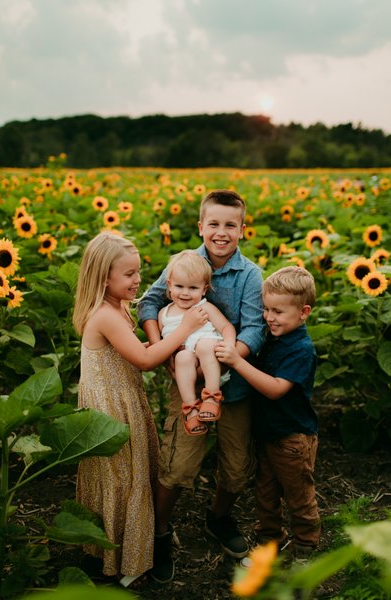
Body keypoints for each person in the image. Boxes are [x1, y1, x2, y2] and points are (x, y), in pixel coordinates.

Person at [137, 189, 264, 582]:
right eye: (214, 224)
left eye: (230, 225)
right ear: (201, 226)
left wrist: (230, 355)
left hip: (236, 383)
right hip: (187, 380)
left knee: (237, 467)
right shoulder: (184, 264)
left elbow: (255, 327)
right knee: (177, 465)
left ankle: (219, 518)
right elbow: (148, 303)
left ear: (243, 230)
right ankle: (159, 531)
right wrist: (165, 347)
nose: (221, 232)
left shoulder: (250, 275)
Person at [72, 232, 208, 584]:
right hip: (109, 407)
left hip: (123, 397)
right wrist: (188, 328)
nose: (138, 280)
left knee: (129, 475)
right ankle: (114, 558)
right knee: (118, 478)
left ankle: (129, 547)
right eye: (130, 274)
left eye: (139, 272)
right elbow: (146, 359)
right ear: (105, 277)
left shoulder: (117, 304)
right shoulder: (104, 314)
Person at [215, 266, 321, 560]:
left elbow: (275, 388)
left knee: (299, 497)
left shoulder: (300, 349)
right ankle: (270, 543)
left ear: (303, 312)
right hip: (269, 434)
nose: (268, 317)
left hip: (292, 439)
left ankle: (305, 549)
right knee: (266, 495)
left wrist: (237, 361)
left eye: (278, 311)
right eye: (266, 309)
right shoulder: (275, 338)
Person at [159, 249, 236, 435]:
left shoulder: (205, 307)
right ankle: (191, 408)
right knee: (182, 357)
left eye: (193, 288)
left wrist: (229, 346)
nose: (185, 293)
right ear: (169, 285)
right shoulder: (164, 314)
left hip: (211, 361)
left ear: (204, 289)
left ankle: (211, 396)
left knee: (205, 344)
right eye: (179, 286)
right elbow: (166, 343)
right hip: (189, 368)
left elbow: (226, 327)